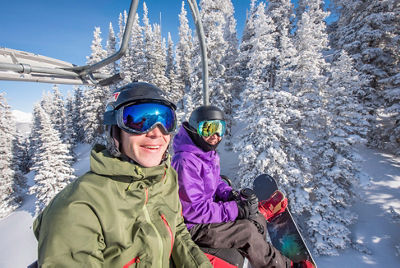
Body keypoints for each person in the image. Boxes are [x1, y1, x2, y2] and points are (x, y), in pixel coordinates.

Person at [33, 82, 212, 267]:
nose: (157, 133)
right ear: (116, 131)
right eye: (138, 121)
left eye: (166, 120)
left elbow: (178, 230)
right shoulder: (78, 207)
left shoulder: (166, 177)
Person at [171, 105, 312, 268]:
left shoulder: (205, 153)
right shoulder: (185, 162)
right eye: (209, 128)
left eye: (220, 129)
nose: (215, 135)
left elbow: (215, 183)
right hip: (193, 227)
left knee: (255, 219)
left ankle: (258, 253)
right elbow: (193, 211)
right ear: (196, 128)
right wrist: (236, 209)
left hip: (205, 220)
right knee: (247, 231)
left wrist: (231, 195)